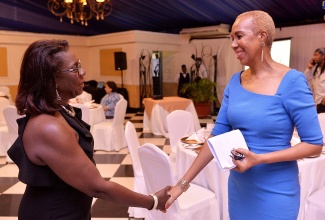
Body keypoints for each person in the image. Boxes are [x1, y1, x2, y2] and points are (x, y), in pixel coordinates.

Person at [165, 10, 323, 220]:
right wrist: (181, 186)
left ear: (262, 37)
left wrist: (259, 159)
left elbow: (314, 144)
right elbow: (215, 137)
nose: (233, 44)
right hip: (240, 190)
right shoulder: (235, 81)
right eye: (232, 38)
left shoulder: (292, 81)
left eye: (239, 36)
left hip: (276, 193)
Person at [7, 39, 171, 219]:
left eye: (80, 65)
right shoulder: (48, 127)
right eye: (74, 68)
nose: (83, 72)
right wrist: (153, 201)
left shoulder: (60, 110)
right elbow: (97, 187)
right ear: (51, 78)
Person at [304, 47, 325, 113]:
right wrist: (309, 67)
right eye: (314, 55)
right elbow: (305, 78)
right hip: (317, 103)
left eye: (316, 55)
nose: (314, 57)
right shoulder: (316, 70)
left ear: (323, 56)